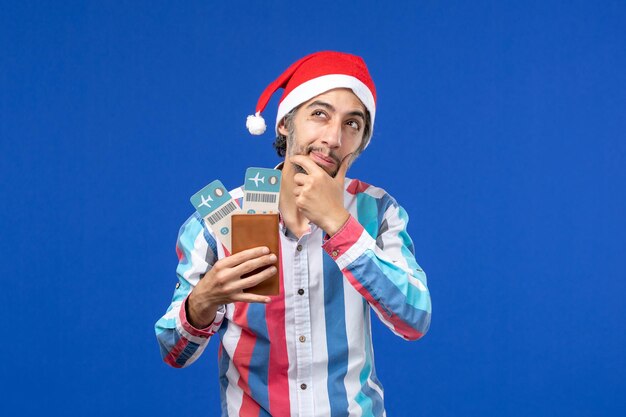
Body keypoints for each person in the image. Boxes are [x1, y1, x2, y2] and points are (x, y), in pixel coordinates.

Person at [155, 51, 432, 417]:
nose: (333, 137)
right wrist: (202, 301)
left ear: (362, 140)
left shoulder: (379, 212)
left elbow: (414, 320)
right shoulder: (216, 222)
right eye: (320, 114)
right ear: (285, 123)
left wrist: (338, 223)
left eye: (353, 123)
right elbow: (174, 353)